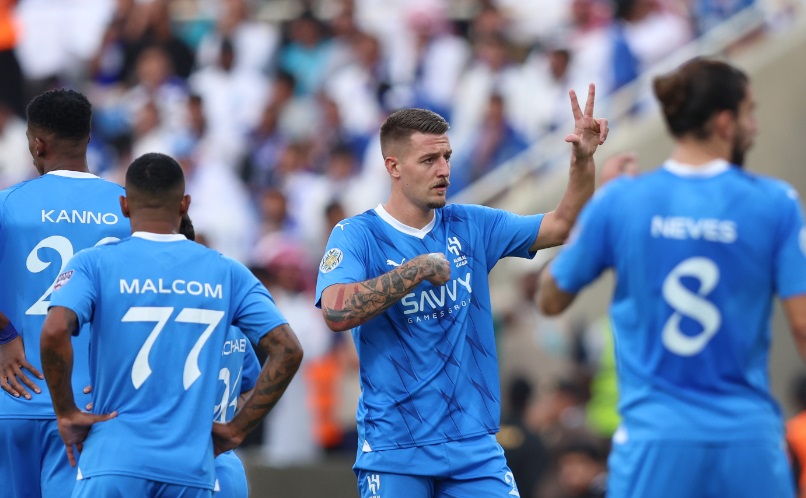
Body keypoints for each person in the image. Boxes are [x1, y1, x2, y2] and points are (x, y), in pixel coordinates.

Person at [315, 85, 607, 497]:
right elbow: (336, 311)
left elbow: (562, 225)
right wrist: (416, 270)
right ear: (393, 166)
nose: (444, 171)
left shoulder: (471, 225)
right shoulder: (357, 235)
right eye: (429, 160)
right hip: (395, 450)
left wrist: (583, 160)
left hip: (474, 449)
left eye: (447, 157)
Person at [537, 57, 806, 498]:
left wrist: (594, 214)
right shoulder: (777, 202)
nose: (755, 126)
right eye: (750, 113)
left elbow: (549, 299)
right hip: (747, 439)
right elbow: (803, 325)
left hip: (653, 442)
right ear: (725, 123)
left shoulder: (621, 201)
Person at [39, 152, 303, 497]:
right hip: (191, 467)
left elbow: (54, 330)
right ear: (184, 204)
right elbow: (288, 349)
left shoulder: (94, 263)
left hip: (113, 460)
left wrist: (66, 412)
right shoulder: (228, 273)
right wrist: (238, 428)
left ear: (124, 205)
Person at [0, 88, 132, 498]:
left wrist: (4, 336)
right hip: (94, 407)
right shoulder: (129, 209)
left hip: (12, 398)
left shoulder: (6, 203)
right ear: (88, 136)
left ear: (38, 144)